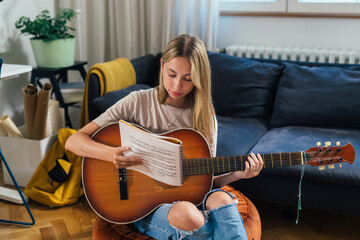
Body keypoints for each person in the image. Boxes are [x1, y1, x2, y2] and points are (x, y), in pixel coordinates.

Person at [65, 34, 263, 240]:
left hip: (191, 198)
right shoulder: (137, 102)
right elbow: (74, 140)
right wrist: (110, 154)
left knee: (223, 200)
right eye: (171, 74)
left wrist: (236, 175)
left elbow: (205, 183)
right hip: (143, 204)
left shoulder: (205, 117)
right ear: (162, 66)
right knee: (188, 215)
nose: (177, 86)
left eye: (188, 78)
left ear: (200, 77)